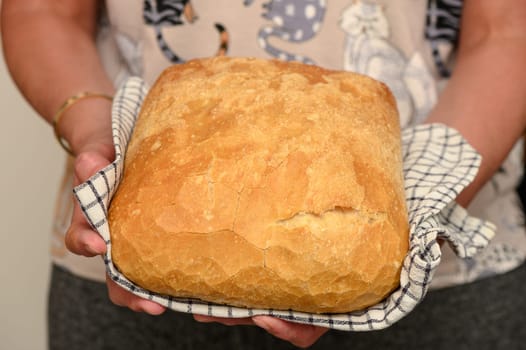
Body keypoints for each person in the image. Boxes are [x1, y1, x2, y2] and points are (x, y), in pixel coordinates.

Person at [2, 0, 526, 349]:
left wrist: (425, 205)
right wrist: (95, 129)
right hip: (123, 275)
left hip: (442, 288)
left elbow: (507, 30)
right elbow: (42, 10)